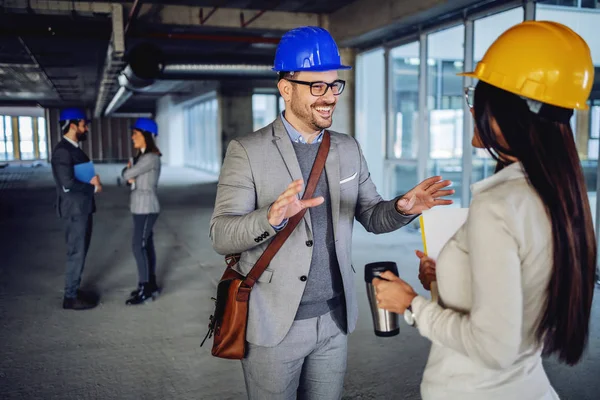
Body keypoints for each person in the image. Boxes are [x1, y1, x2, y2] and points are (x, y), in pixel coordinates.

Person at [210, 26, 454, 399]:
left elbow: (372, 216)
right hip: (275, 323)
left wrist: (403, 208)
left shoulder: (347, 148)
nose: (329, 98)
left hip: (335, 320)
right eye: (317, 86)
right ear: (286, 88)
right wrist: (271, 217)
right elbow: (222, 234)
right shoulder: (247, 150)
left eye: (334, 85)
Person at [374, 21, 597, 400]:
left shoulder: (497, 206)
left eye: (478, 95)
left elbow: (494, 347)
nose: (472, 108)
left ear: (507, 111)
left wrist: (411, 304)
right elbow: (521, 293)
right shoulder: (557, 195)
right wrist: (445, 274)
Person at [51, 108, 102, 310]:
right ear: (73, 125)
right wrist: (93, 186)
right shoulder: (63, 151)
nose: (86, 128)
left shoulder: (73, 148)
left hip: (82, 208)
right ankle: (70, 297)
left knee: (80, 250)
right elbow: (67, 183)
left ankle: (75, 288)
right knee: (76, 252)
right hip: (75, 210)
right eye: (83, 124)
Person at [122, 118, 162, 305]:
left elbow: (127, 174)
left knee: (138, 246)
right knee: (146, 244)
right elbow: (128, 173)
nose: (132, 137)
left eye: (136, 134)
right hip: (139, 206)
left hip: (146, 208)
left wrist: (130, 175)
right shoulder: (141, 156)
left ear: (146, 136)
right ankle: (150, 284)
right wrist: (130, 174)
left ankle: (144, 287)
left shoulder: (150, 158)